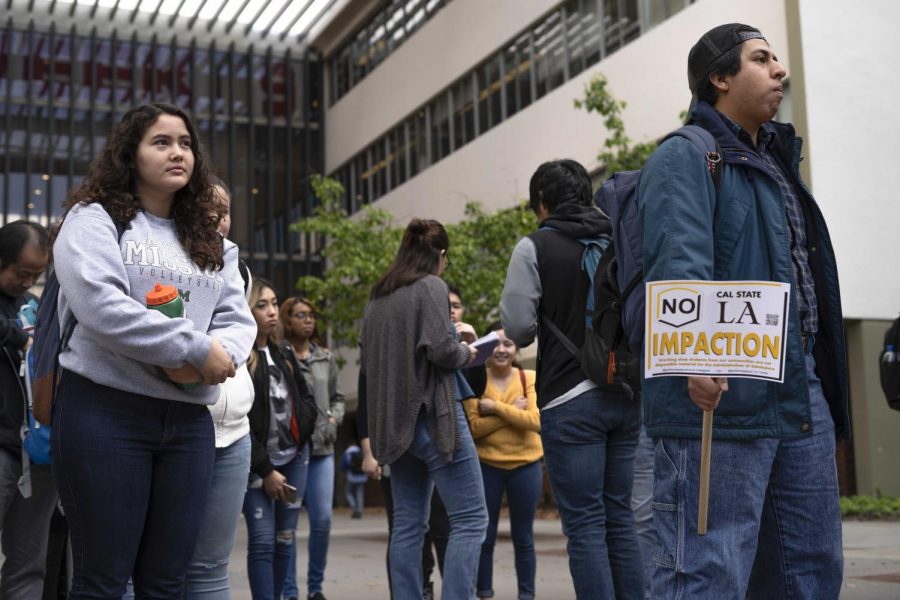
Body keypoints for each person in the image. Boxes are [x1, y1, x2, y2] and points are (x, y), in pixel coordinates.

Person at [637, 23, 849, 599]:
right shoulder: (688, 156)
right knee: (707, 570)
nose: (780, 70)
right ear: (720, 78)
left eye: (777, 58)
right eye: (762, 59)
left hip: (796, 387)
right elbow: (678, 261)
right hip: (719, 386)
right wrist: (692, 362)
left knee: (809, 567)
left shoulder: (776, 162)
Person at [51, 102, 257, 596]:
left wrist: (215, 358)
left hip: (188, 424)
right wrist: (189, 349)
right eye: (161, 142)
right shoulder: (94, 219)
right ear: (131, 154)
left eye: (185, 143)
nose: (177, 152)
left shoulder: (213, 242)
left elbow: (237, 319)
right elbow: (101, 306)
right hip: (105, 412)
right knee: (103, 580)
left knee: (166, 582)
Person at [500, 159, 643, 599]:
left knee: (584, 525)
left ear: (541, 203)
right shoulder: (620, 236)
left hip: (568, 397)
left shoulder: (534, 247)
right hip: (625, 391)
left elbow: (519, 328)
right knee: (620, 518)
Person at [359, 218, 487, 600]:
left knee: (408, 526)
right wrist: (469, 350)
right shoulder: (431, 286)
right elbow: (442, 351)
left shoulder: (378, 298)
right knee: (471, 519)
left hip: (396, 429)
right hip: (434, 416)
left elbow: (369, 364)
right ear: (440, 256)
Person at [184, 179, 256, 598]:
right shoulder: (160, 258)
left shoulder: (237, 267)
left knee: (212, 565)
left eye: (224, 210)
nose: (217, 218)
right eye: (206, 209)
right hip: (185, 421)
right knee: (160, 561)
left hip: (236, 434)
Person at [243, 279, 316, 600]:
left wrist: (305, 431)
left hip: (294, 459)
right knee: (261, 541)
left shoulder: (283, 351)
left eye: (274, 303)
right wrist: (266, 469)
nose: (272, 311)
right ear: (246, 309)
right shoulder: (240, 356)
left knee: (285, 538)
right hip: (258, 467)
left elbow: (306, 399)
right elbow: (241, 422)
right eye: (262, 305)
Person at [462, 322, 542, 600]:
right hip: (487, 465)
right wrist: (511, 413)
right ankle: (484, 592)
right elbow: (473, 428)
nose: (501, 349)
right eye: (495, 343)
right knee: (485, 536)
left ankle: (526, 595)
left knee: (524, 538)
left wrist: (495, 408)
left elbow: (535, 421)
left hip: (527, 465)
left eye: (507, 344)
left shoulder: (528, 377)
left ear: (516, 348)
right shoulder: (474, 378)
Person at [0, 220, 57, 597]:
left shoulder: (33, 306)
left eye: (36, 275)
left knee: (28, 565)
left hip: (35, 453)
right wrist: (21, 339)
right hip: (2, 447)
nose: (28, 282)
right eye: (22, 273)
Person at [279, 296, 344, 600]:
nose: (308, 320)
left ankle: (315, 588)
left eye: (312, 315)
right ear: (287, 320)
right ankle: (289, 590)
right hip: (290, 455)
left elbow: (338, 397)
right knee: (288, 525)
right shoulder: (278, 356)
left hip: (321, 452)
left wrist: (333, 419)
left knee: (323, 520)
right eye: (300, 315)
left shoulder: (325, 358)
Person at [340, 441, 367, 519]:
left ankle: (354, 507)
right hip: (362, 477)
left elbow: (344, 465)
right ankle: (360, 510)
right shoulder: (361, 451)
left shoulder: (347, 453)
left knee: (348, 493)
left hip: (351, 477)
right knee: (360, 494)